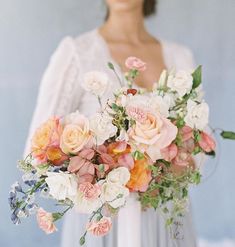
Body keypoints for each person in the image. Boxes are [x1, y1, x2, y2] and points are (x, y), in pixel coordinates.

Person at [24, 0, 197, 246]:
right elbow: (37, 153)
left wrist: (173, 167)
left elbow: (198, 146)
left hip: (166, 221)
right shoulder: (76, 53)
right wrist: (97, 172)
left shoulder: (181, 57)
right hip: (104, 227)